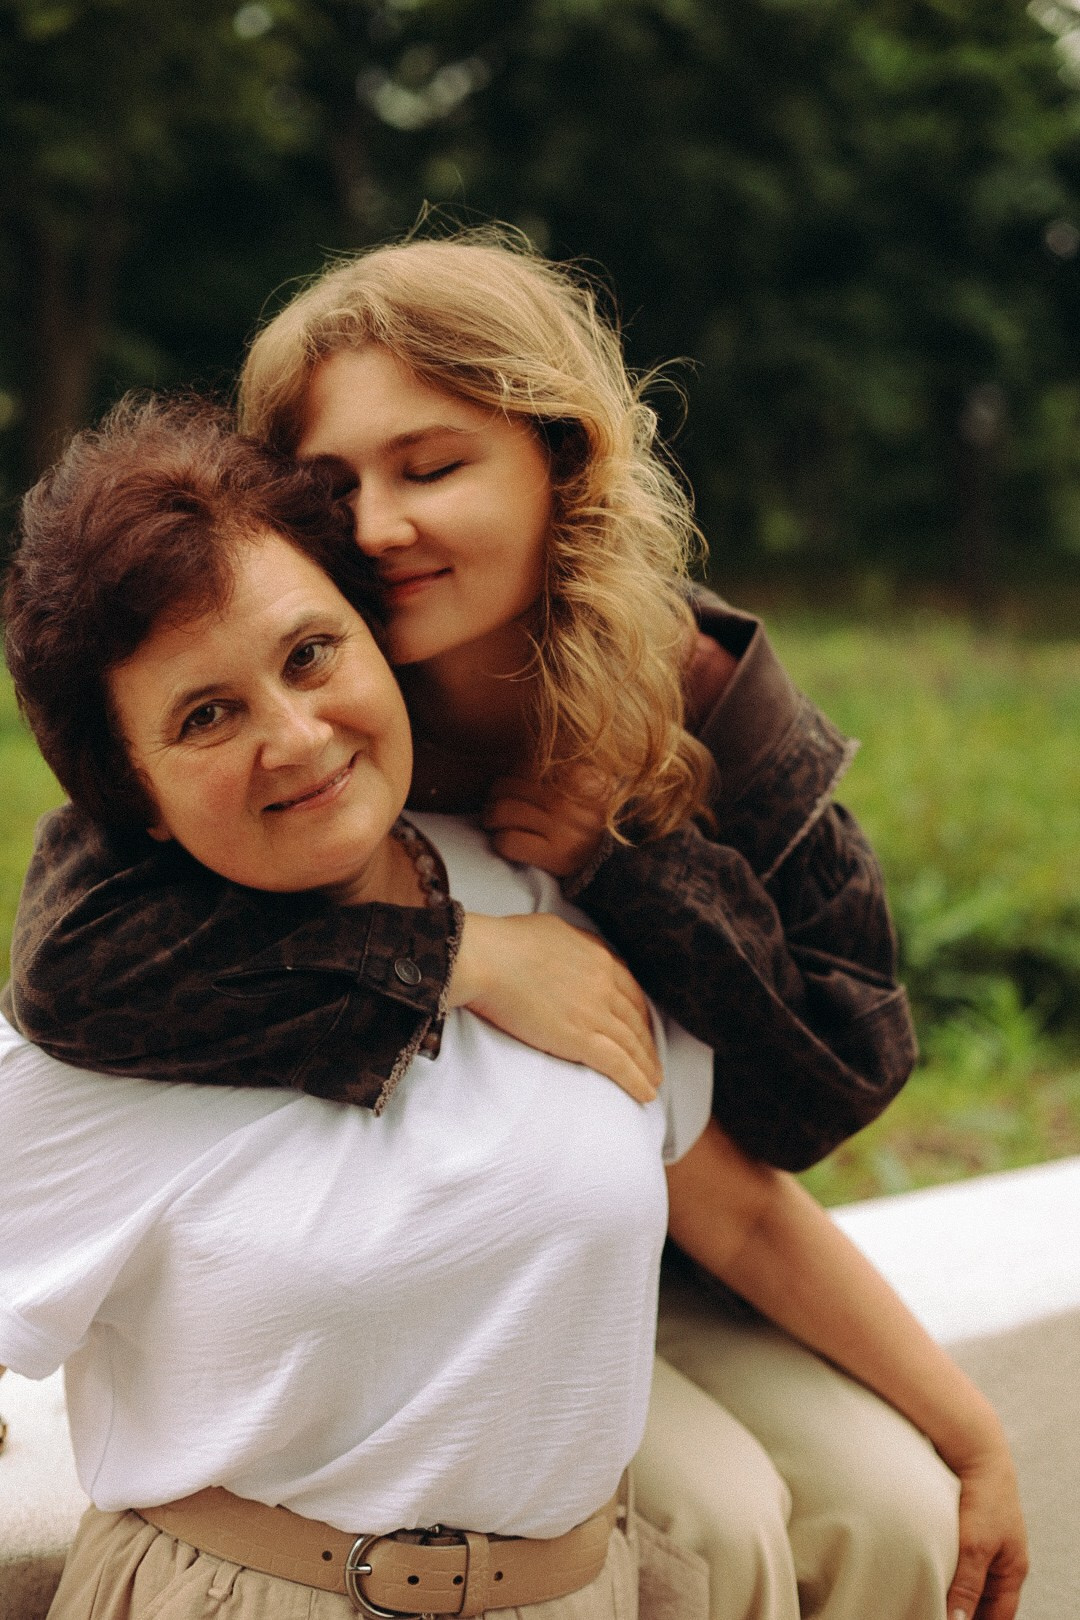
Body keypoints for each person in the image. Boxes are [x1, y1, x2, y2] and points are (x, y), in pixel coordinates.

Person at [3, 229, 946, 1620]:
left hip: (648, 1213)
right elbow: (73, 972)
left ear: (561, 461)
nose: (381, 526)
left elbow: (836, 1075)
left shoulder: (685, 692)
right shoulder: (285, 685)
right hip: (480, 1291)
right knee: (725, 1520)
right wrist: (458, 956)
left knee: (898, 1510)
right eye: (333, 486)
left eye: (431, 466)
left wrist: (633, 869)